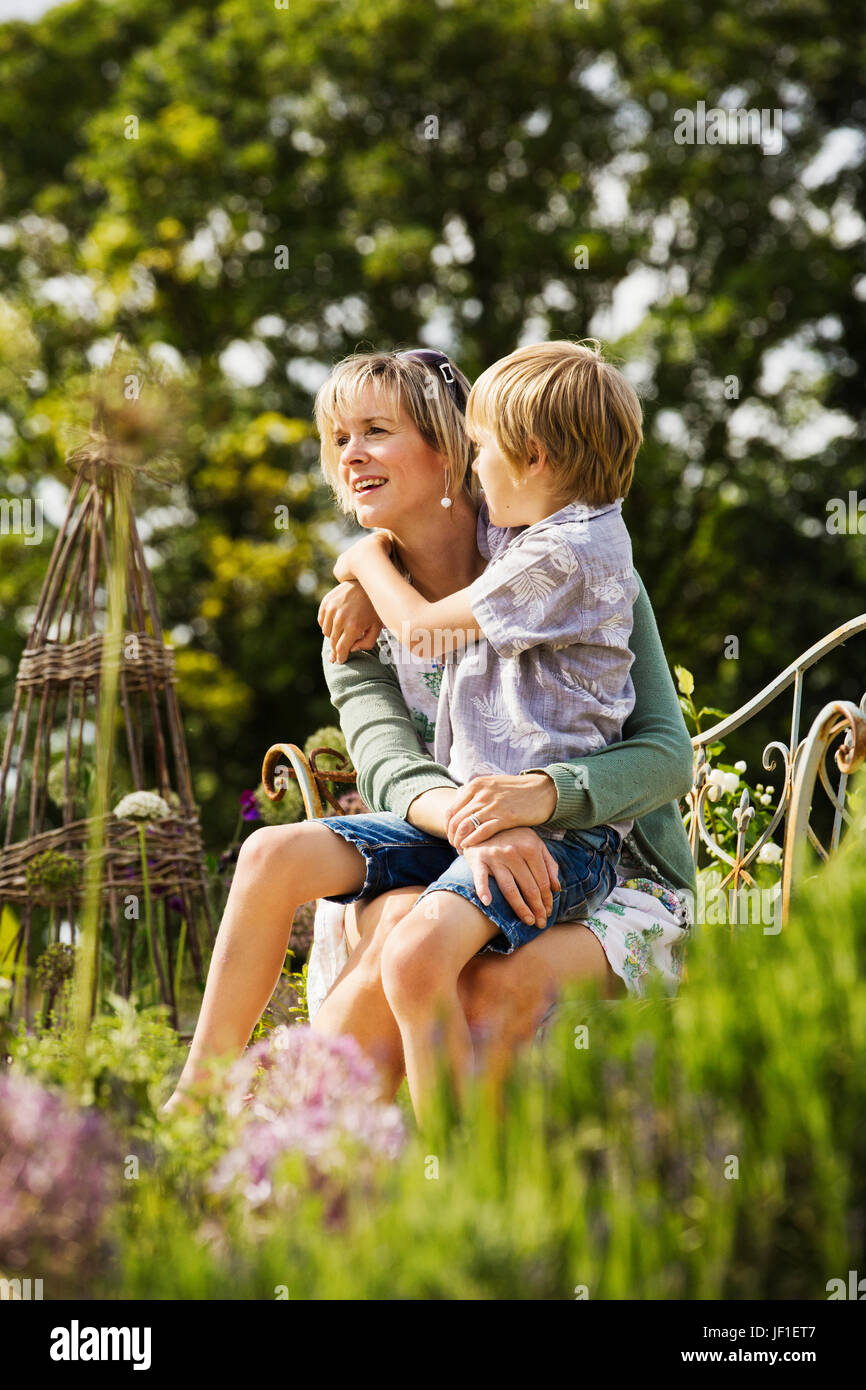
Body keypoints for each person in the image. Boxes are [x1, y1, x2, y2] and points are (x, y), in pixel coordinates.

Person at [163, 347, 694, 1121]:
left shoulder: (552, 558)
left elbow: (665, 757)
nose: (351, 455)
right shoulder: (354, 620)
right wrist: (477, 826)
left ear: (449, 451)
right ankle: (203, 1104)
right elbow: (388, 767)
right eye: (338, 438)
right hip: (462, 842)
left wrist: (538, 800)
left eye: (376, 430)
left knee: (458, 963)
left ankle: (356, 1173)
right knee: (283, 857)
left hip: (609, 863)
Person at [312, 341, 642, 1123]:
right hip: (490, 824)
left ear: (530, 457)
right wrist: (375, 566)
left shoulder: (558, 558)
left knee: (418, 951)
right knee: (309, 875)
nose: (472, 466)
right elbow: (435, 568)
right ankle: (284, 1122)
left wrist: (361, 559)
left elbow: (424, 631)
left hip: (566, 836)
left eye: (482, 449)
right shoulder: (550, 541)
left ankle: (435, 1165)